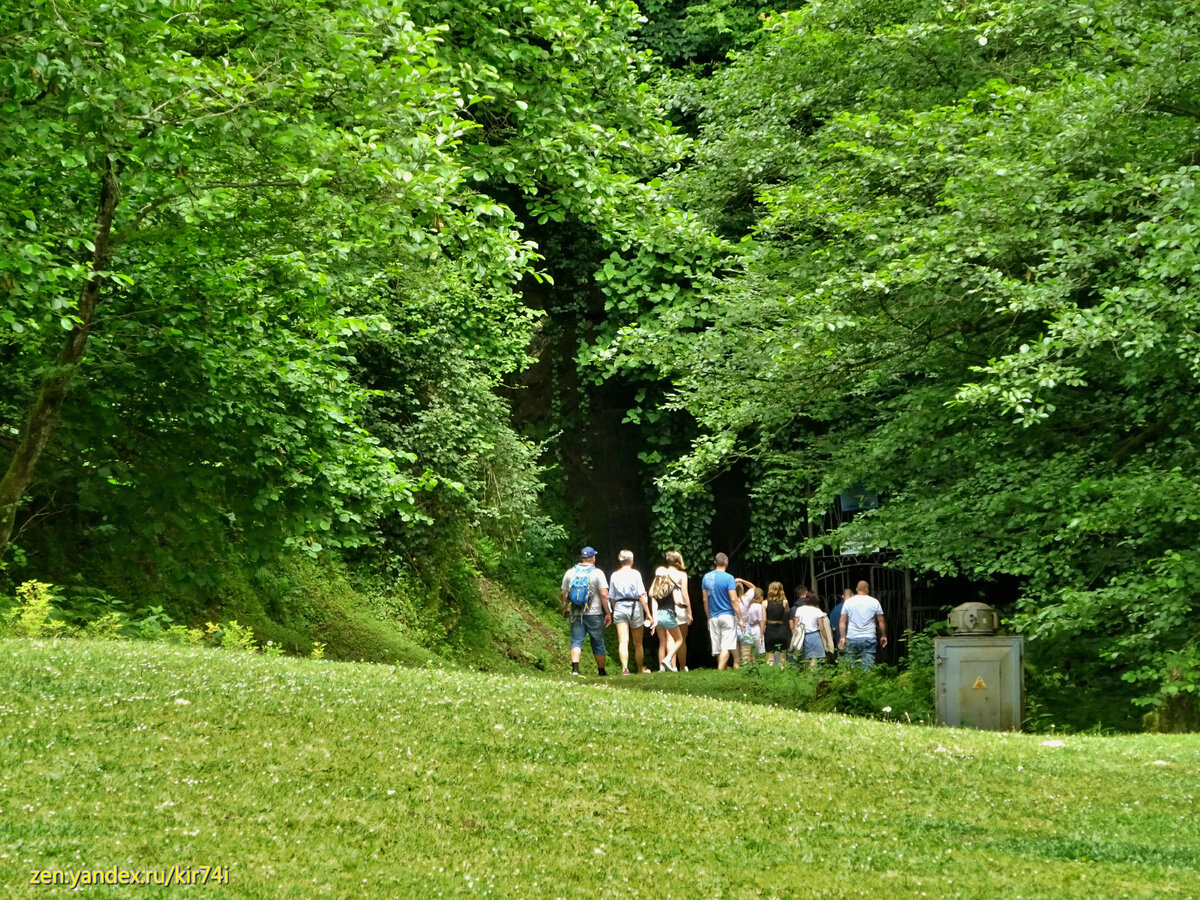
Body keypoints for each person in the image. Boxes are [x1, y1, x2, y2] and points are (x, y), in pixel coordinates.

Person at [561, 546, 610, 676]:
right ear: (593, 558)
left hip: (576, 612)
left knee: (576, 640)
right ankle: (601, 671)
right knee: (597, 641)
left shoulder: (570, 572)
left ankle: (575, 669)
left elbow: (564, 593)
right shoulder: (598, 573)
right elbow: (604, 594)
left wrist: (565, 607)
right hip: (594, 614)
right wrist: (608, 613)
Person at [609, 550, 651, 675]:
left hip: (620, 606)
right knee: (638, 642)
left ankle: (624, 669)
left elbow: (611, 597)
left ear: (620, 561)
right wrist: (648, 613)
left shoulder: (614, 575)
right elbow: (641, 595)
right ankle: (639, 670)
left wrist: (614, 609)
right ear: (631, 561)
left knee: (623, 640)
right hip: (635, 606)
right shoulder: (636, 574)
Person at [702, 552, 743, 669]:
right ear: (726, 563)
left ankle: (721, 671)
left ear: (715, 562)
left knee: (719, 647)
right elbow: (734, 600)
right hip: (727, 615)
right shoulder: (729, 578)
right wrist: (740, 619)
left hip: (713, 616)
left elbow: (705, 600)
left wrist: (708, 617)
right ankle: (720, 672)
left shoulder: (706, 577)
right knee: (726, 646)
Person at [838, 580, 887, 669]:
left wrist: (842, 637)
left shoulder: (848, 602)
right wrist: (883, 635)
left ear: (857, 589)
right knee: (867, 666)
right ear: (867, 589)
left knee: (851, 666)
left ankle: (853, 681)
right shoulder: (874, 602)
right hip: (869, 638)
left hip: (852, 637)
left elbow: (842, 621)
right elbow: (881, 620)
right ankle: (867, 681)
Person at [649, 566, 684, 672]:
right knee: (679, 640)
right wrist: (683, 605)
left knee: (662, 642)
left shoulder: (655, 590)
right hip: (668, 616)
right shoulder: (672, 586)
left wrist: (654, 622)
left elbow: (653, 604)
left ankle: (661, 668)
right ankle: (668, 659)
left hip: (658, 617)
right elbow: (677, 601)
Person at [662, 551, 691, 672]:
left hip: (667, 606)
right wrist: (689, 611)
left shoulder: (663, 574)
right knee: (682, 639)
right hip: (680, 607)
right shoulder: (682, 575)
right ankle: (682, 666)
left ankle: (672, 666)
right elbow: (684, 593)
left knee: (670, 638)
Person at [792, 590, 832, 667]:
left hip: (803, 636)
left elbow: (796, 625)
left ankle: (806, 675)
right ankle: (813, 675)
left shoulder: (800, 610)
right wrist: (827, 640)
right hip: (814, 636)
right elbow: (822, 628)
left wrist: (795, 637)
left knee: (806, 659)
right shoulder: (817, 611)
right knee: (814, 659)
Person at [761, 582, 791, 666]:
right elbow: (787, 615)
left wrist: (761, 634)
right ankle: (783, 675)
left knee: (770, 657)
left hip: (770, 631)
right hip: (782, 630)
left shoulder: (764, 603)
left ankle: (771, 675)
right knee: (782, 659)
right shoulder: (785, 602)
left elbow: (763, 620)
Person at [736, 578, 763, 664]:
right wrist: (742, 580)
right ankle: (746, 672)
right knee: (746, 655)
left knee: (735, 658)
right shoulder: (746, 598)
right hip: (744, 626)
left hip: (733, 626)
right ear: (743, 589)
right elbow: (754, 588)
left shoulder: (729, 600)